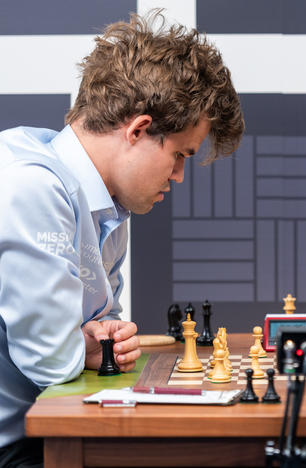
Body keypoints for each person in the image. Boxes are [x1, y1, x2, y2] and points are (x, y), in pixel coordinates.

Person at [0, 11, 244, 467]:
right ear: (137, 129)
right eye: (179, 155)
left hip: (51, 429)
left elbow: (102, 331)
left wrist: (105, 339)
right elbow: (53, 361)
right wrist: (87, 345)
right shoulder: (31, 185)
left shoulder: (108, 205)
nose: (179, 176)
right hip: (18, 448)